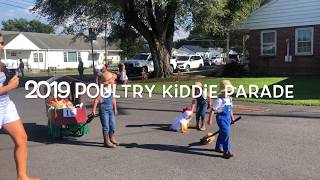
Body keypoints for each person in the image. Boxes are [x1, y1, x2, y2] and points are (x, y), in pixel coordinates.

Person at [0, 32, 39, 180]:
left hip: (6, 104)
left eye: (2, 42)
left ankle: (22, 176)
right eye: (0, 43)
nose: (2, 46)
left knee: (21, 138)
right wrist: (10, 86)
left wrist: (7, 74)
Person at [207, 80, 236, 159]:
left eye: (229, 90)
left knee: (223, 132)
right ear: (223, 92)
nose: (228, 92)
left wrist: (232, 118)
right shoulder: (219, 101)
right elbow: (212, 110)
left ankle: (218, 147)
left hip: (227, 119)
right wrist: (210, 119)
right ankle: (227, 151)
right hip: (221, 119)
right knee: (226, 134)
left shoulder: (230, 99)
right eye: (227, 90)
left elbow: (230, 109)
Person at [92, 72, 119, 148]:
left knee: (113, 125)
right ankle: (106, 141)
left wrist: (115, 108)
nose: (114, 82)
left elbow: (113, 99)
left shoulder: (111, 88)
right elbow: (96, 100)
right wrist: (93, 110)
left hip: (110, 109)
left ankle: (111, 138)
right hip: (103, 109)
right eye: (113, 81)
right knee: (106, 126)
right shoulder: (102, 90)